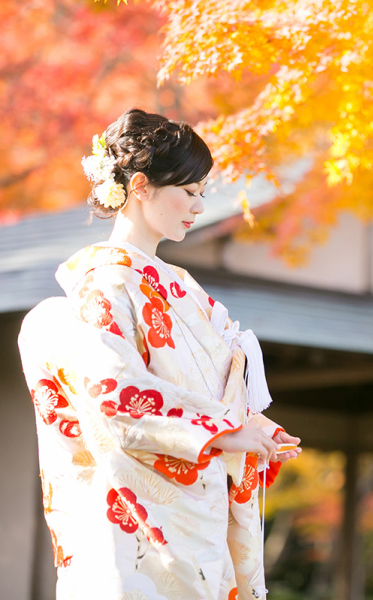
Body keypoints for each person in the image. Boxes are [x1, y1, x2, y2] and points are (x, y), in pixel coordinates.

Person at [17, 108, 301, 600]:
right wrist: (225, 430)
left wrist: (252, 426)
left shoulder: (183, 287)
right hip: (141, 510)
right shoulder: (106, 281)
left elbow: (209, 380)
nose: (198, 206)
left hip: (196, 502)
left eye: (202, 193)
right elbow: (113, 392)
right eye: (188, 192)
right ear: (142, 186)